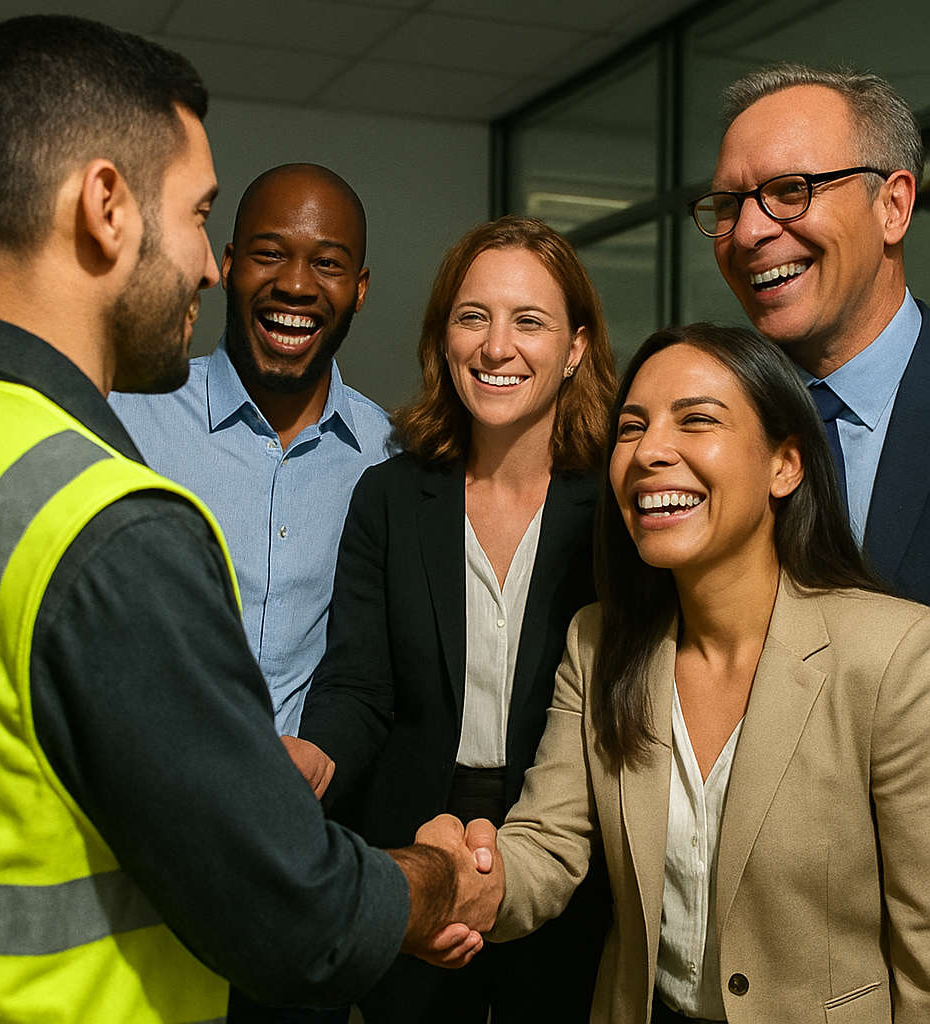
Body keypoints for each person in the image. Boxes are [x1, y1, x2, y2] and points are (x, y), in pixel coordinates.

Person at [0, 16, 499, 1023]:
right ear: (105, 207)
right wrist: (439, 874)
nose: (211, 268)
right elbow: (296, 912)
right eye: (201, 217)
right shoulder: (110, 519)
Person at [472, 323, 930, 1022]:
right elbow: (547, 844)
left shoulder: (892, 655)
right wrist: (466, 878)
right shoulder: (598, 644)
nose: (651, 452)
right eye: (631, 428)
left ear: (786, 465)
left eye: (697, 421)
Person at [293, 215, 618, 1024]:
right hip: (412, 849)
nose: (496, 347)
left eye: (529, 321)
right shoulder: (391, 497)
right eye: (472, 317)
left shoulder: (617, 507)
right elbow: (360, 684)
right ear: (444, 339)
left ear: (576, 348)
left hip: (572, 849)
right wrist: (313, 755)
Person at [110, 163, 390, 738]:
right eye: (270, 254)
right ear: (230, 264)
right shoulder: (125, 415)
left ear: (359, 289)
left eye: (328, 264)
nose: (295, 284)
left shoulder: (388, 458)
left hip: (303, 814)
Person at [687, 64, 929, 603]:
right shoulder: (700, 427)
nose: (748, 232)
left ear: (893, 207)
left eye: (792, 191)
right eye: (729, 205)